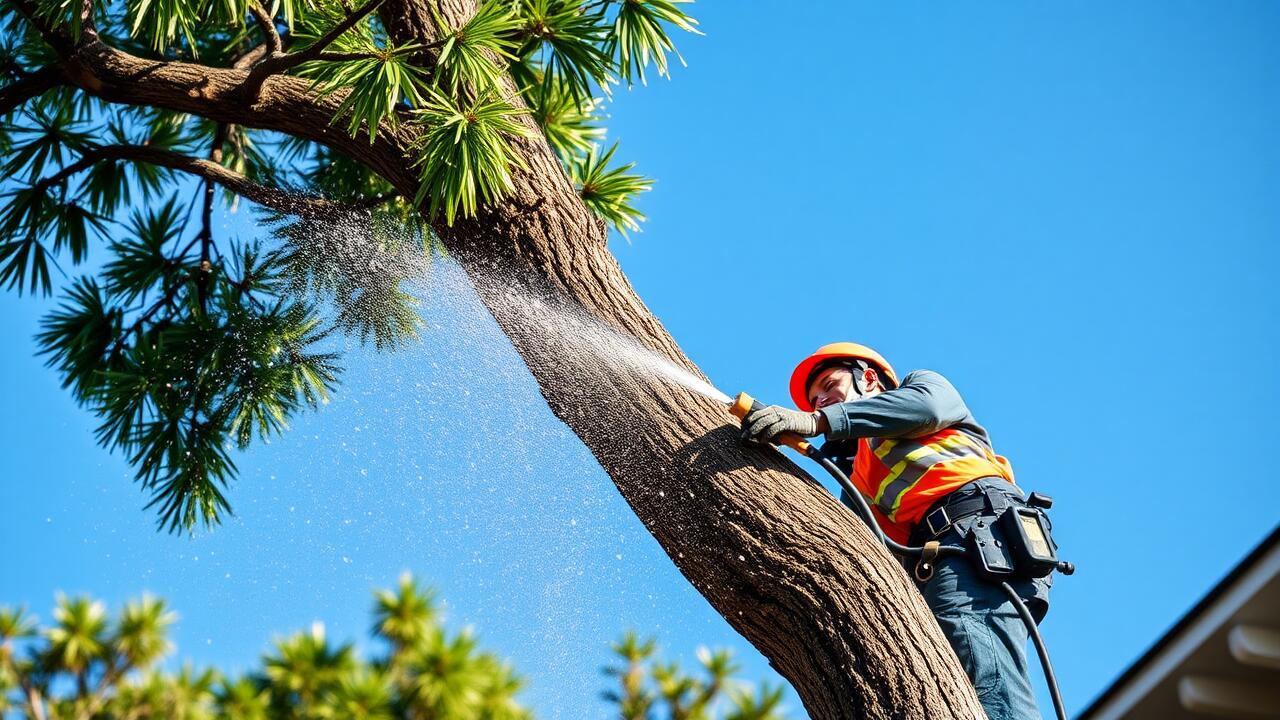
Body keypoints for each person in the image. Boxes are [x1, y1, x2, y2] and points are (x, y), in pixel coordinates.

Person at [741, 342, 1052, 720]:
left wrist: (815, 423)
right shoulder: (858, 476)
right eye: (813, 400)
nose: (819, 400)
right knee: (968, 676)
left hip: (980, 536)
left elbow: (929, 408)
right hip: (945, 560)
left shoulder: (921, 387)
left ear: (868, 378)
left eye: (828, 385)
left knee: (985, 670)